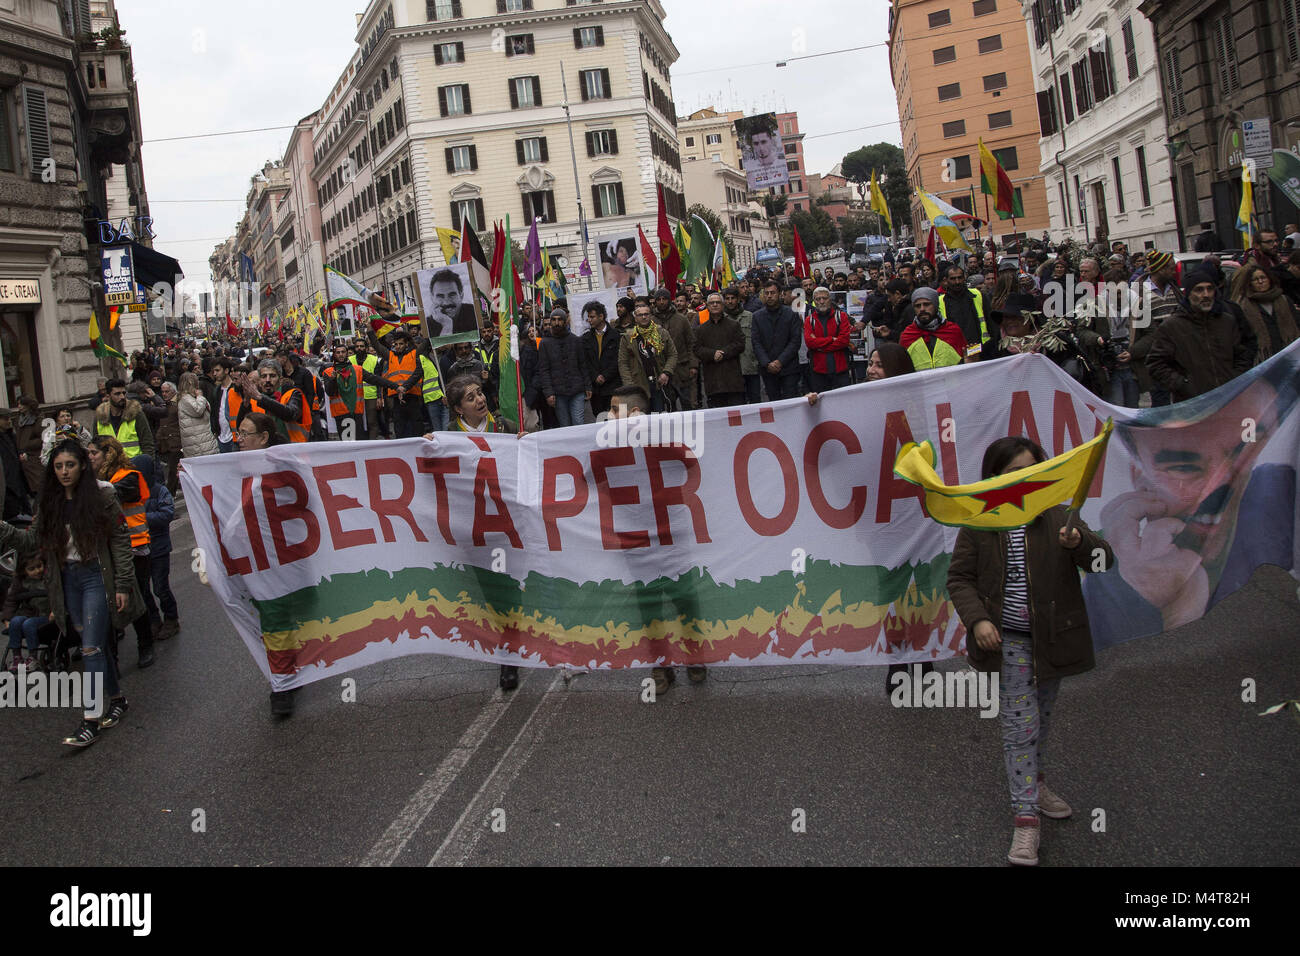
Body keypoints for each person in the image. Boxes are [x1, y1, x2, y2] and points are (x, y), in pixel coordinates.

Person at [946, 436, 1113, 866]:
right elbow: (959, 579)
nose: (1023, 480)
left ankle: (1035, 785)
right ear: (994, 479)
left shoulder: (1059, 513)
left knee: (1042, 720)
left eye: (1031, 471)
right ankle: (1025, 819)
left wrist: (1081, 545)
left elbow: (1103, 562)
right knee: (1020, 727)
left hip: (1053, 641)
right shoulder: (980, 520)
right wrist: (978, 619)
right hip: (1009, 646)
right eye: (1011, 474)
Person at [0, 439, 142, 745]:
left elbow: (120, 539)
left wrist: (122, 585)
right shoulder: (47, 502)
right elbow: (30, 542)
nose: (65, 472)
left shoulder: (102, 495)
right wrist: (3, 529)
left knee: (90, 648)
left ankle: (90, 719)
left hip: (95, 576)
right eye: (59, 466)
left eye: (71, 465)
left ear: (81, 466)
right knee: (94, 644)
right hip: (66, 581)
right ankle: (117, 699)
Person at [605, 384, 708, 694]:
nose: (607, 416)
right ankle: (661, 664)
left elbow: (692, 460)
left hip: (670, 535)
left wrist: (657, 431)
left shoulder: (662, 438)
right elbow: (578, 475)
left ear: (635, 414)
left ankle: (695, 656)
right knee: (648, 605)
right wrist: (535, 444)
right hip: (634, 539)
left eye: (613, 409)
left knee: (685, 599)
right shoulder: (605, 446)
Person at [88, 435, 156, 669]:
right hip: (107, 550)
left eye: (93, 453)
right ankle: (112, 655)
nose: (89, 458)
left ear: (109, 454)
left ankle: (146, 643)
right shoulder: (95, 479)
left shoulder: (128, 476)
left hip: (135, 545)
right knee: (109, 599)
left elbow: (113, 493)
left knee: (136, 595)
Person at [1146, 267, 1254, 402]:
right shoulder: (1172, 326)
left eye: (1210, 289)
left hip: (1229, 399)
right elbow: (1156, 364)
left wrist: (1234, 378)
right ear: (1188, 294)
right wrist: (1184, 385)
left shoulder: (1226, 321)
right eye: (1199, 290)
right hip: (1193, 404)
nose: (1206, 294)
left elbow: (1241, 355)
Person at [137, 454, 179, 642]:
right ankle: (154, 620)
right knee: (143, 589)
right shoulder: (133, 493)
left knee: (160, 587)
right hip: (139, 550)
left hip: (159, 548)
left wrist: (141, 520)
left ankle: (171, 619)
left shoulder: (160, 491)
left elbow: (167, 514)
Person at [1229, 261, 1299, 362]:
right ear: (1250, 283)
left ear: (1269, 279)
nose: (1260, 281)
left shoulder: (1284, 300)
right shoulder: (1243, 306)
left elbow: (1297, 323)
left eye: (1263, 278)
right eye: (1255, 279)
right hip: (1261, 360)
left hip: (1288, 355)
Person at [618, 299, 679, 413]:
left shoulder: (661, 333)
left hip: (659, 383)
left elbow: (673, 354)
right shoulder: (627, 337)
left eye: (646, 314)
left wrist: (666, 372)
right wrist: (630, 385)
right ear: (635, 318)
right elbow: (623, 363)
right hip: (639, 385)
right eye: (640, 315)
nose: (644, 317)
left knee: (660, 417)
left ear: (650, 316)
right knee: (643, 419)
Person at [536, 308, 593, 428]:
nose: (557, 323)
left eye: (560, 320)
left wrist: (588, 386)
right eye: (554, 320)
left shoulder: (576, 340)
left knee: (578, 422)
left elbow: (583, 365)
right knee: (565, 425)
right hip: (558, 392)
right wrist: (548, 392)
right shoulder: (544, 343)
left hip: (577, 390)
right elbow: (544, 370)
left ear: (565, 321)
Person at [367, 328, 425, 439]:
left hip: (412, 397)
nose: (398, 346)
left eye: (401, 344)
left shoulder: (414, 353)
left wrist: (404, 387)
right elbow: (376, 345)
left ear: (407, 344)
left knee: (416, 428)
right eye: (396, 344)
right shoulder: (390, 356)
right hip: (396, 399)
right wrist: (370, 330)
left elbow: (418, 373)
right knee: (399, 428)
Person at [751, 280, 803, 401]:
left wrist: (780, 361)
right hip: (768, 369)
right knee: (774, 404)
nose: (769, 296)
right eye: (767, 293)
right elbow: (756, 342)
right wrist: (767, 363)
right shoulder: (757, 316)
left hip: (789, 368)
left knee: (791, 402)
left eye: (773, 293)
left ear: (780, 294)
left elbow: (795, 341)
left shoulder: (791, 314)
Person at [693, 292, 746, 407]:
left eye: (718, 302)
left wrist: (724, 353)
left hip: (733, 380)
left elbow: (740, 344)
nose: (715, 305)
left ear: (723, 305)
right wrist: (712, 354)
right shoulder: (701, 329)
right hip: (713, 381)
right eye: (712, 303)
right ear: (707, 306)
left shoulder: (733, 325)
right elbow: (697, 349)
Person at [242, 358, 313, 443]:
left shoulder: (293, 394)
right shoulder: (255, 399)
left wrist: (260, 398)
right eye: (263, 376)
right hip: (265, 450)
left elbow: (291, 414)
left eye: (272, 376)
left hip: (293, 450)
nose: (267, 380)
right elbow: (242, 427)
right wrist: (245, 403)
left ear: (280, 378)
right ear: (259, 380)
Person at [3, 552, 52, 671]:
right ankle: (16, 656)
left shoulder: (49, 578)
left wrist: (56, 611)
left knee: (28, 624)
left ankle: (33, 656)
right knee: (15, 621)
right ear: (24, 570)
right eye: (32, 569)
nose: (37, 571)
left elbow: (58, 596)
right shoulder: (21, 581)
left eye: (39, 566)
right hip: (29, 613)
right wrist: (7, 618)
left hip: (46, 615)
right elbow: (11, 601)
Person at [899, 287, 966, 370]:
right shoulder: (907, 335)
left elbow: (965, 362)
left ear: (935, 305)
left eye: (927, 304)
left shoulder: (952, 331)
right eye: (917, 306)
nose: (922, 309)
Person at [652, 289, 698, 410]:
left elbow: (691, 343)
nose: (662, 302)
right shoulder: (651, 322)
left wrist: (693, 365)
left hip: (682, 369)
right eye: (659, 299)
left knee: (688, 404)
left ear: (669, 300)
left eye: (664, 299)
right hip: (662, 371)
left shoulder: (681, 319)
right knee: (669, 406)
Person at [803, 286, 855, 392]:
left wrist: (820, 346)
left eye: (824, 298)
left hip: (841, 370)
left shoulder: (842, 316)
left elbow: (844, 341)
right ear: (814, 301)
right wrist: (832, 339)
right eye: (818, 299)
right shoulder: (809, 320)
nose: (821, 301)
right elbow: (810, 343)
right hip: (819, 372)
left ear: (830, 300)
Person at [939, 264, 994, 360]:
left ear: (964, 278)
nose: (957, 282)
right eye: (953, 279)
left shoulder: (978, 295)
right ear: (946, 280)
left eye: (960, 278)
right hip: (954, 353)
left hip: (981, 350)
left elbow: (991, 323)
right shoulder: (940, 301)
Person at [95, 378, 155, 458]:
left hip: (133, 466)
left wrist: (147, 466)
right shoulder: (100, 416)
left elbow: (147, 443)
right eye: (117, 394)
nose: (122, 397)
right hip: (111, 467)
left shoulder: (136, 413)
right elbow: (96, 446)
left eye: (124, 393)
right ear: (108, 396)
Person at [581, 300, 621, 417]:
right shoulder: (586, 338)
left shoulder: (615, 336)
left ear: (601, 316)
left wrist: (605, 376)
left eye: (592, 317)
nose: (589, 320)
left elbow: (618, 360)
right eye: (588, 317)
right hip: (596, 389)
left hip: (614, 386)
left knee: (617, 418)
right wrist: (595, 376)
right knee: (600, 418)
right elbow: (585, 361)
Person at [722, 286, 760, 405]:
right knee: (737, 404)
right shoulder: (721, 319)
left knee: (755, 402)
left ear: (738, 299)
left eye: (733, 298)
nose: (730, 301)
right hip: (731, 370)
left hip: (750, 366)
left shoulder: (749, 316)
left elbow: (757, 340)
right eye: (727, 298)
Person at [178, 371, 220, 460]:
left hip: (203, 440)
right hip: (199, 444)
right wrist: (200, 397)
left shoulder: (191, 398)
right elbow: (198, 410)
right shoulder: (185, 399)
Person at [424, 268, 479, 336]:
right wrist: (447, 325)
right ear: (432, 298)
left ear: (461, 295)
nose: (446, 302)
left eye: (452, 295)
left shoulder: (475, 314)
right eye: (440, 296)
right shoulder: (427, 325)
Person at [153, 381, 182, 496]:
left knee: (173, 470)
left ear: (173, 391)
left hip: (177, 442)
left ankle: (170, 493)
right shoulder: (164, 405)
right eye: (163, 392)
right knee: (172, 469)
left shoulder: (177, 404)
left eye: (167, 391)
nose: (164, 394)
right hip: (167, 443)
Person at [0, 409, 30, 519]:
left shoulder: (11, 435)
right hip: (7, 484)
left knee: (27, 512)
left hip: (18, 479)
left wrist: (21, 454)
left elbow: (18, 449)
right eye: (5, 419)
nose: (9, 421)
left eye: (9, 418)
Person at [14, 396, 44, 494]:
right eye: (18, 404)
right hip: (23, 458)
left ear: (28, 405)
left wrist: (27, 445)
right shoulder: (18, 420)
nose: (19, 406)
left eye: (21, 404)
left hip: (35, 458)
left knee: (39, 487)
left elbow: (43, 438)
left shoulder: (38, 419)